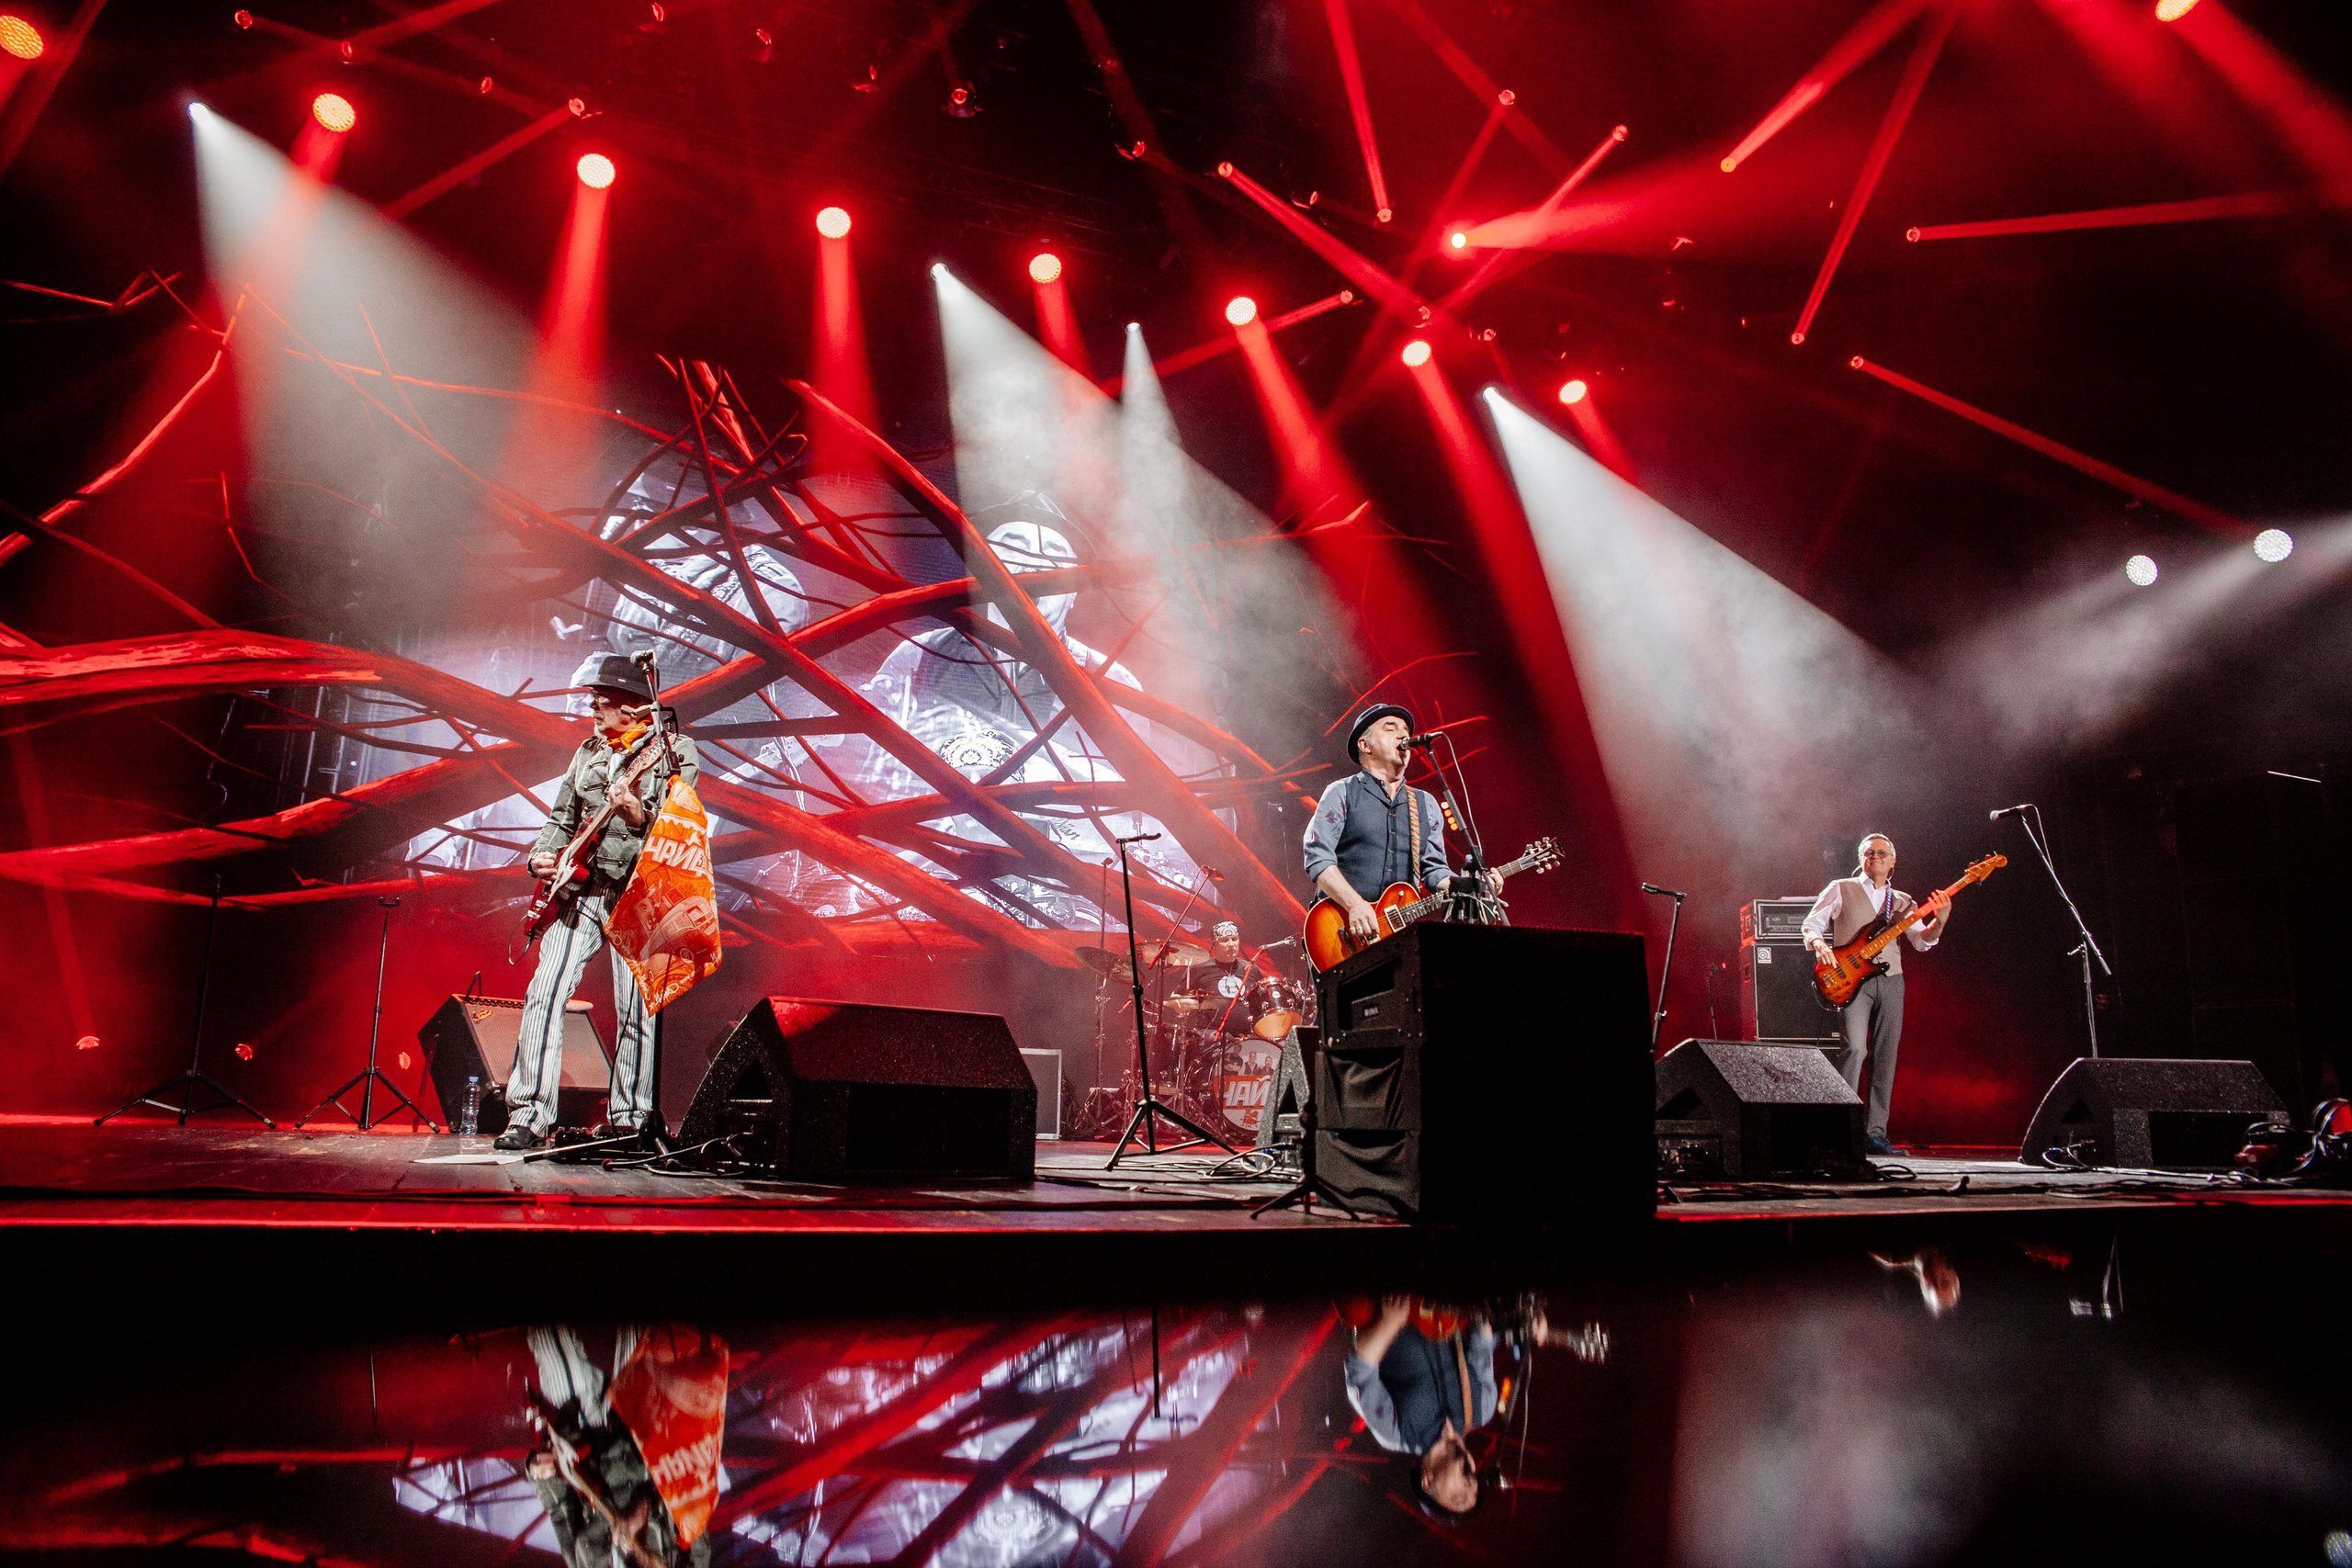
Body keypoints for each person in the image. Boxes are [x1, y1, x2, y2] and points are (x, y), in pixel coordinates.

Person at [498, 654, 701, 1153]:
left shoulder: (674, 751)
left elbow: (679, 827)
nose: (592, 707)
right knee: (545, 991)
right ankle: (528, 1114)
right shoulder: (587, 752)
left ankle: (631, 1118)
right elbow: (561, 818)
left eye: (602, 701)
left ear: (633, 709)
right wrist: (541, 857)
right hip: (582, 889)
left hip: (638, 892)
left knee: (636, 1009)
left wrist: (636, 815)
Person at [1802, 831, 1952, 1156]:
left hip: (1891, 979)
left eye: (1882, 853)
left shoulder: (1903, 901)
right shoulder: (1841, 888)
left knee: (1885, 1056)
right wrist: (1818, 943)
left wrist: (1939, 923)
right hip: (1851, 980)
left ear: (1893, 861)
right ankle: (1841, 1129)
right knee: (1855, 1049)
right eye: (1869, 852)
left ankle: (1875, 1133)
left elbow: (1921, 941)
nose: (1875, 857)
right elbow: (1812, 924)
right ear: (1860, 859)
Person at [1302, 704, 1498, 945]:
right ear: (1365, 745)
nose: (1403, 735)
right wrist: (1354, 904)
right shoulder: (1342, 792)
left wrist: (1471, 885)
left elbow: (1434, 870)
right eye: (1390, 728)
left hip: (1399, 938)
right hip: (1341, 934)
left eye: (1405, 730)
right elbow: (1318, 857)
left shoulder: (1426, 804)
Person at [1344, 1297, 1498, 1516]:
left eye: (1459, 1496)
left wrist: (1390, 1322)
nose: (1471, 1485)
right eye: (1475, 1488)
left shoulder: (1396, 1435)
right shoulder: (1483, 1408)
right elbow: (1483, 1336)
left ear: (1427, 1481)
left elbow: (1359, 1375)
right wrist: (1524, 1323)